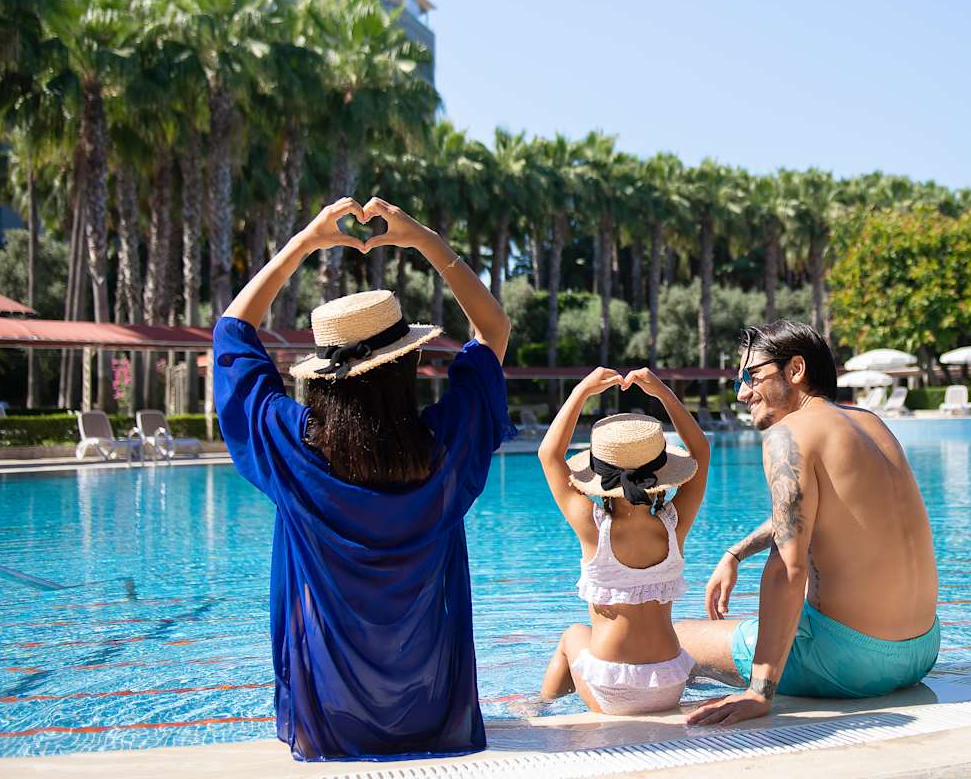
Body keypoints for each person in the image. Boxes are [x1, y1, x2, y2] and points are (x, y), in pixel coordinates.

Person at [213, 196, 511, 761]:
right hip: (432, 713)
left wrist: (303, 243)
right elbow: (493, 327)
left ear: (323, 379)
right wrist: (425, 240)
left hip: (328, 719)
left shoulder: (292, 449)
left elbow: (232, 332)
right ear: (409, 363)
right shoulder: (445, 446)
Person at [676, 320, 940, 726]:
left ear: (795, 369)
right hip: (921, 650)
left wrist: (759, 691)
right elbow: (810, 513)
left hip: (851, 662)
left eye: (751, 376)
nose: (743, 393)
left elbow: (788, 567)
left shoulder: (788, 434)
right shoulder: (870, 423)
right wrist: (736, 553)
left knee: (670, 639)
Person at [536, 366, 711, 714]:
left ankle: (538, 708)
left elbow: (549, 454)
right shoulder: (674, 525)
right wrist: (662, 392)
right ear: (661, 473)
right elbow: (701, 451)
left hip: (612, 691)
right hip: (669, 684)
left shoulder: (592, 527)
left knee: (573, 635)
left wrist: (582, 391)